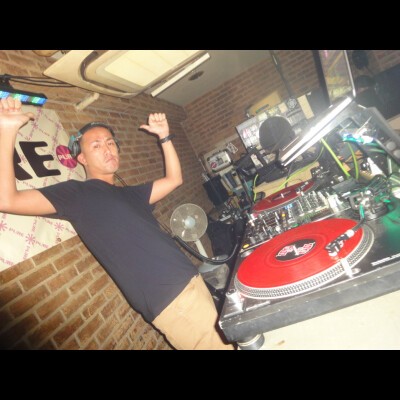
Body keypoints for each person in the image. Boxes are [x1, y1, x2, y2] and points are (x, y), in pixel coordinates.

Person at [0, 96, 234, 350]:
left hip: (192, 284)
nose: (108, 149)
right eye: (97, 145)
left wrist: (164, 137)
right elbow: (7, 199)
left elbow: (174, 179)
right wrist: (7, 129)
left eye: (111, 143)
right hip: (174, 302)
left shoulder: (131, 194)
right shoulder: (76, 194)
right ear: (82, 158)